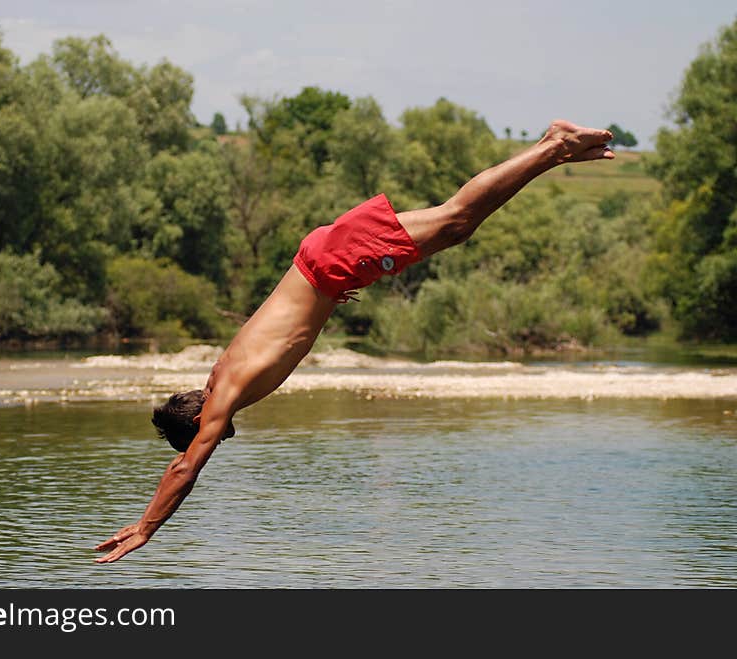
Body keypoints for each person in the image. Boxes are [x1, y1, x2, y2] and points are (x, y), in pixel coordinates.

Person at [94, 119, 614, 563]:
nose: (219, 441)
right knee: (455, 224)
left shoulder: (224, 397)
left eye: (206, 436)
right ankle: (552, 150)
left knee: (456, 220)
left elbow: (185, 468)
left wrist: (147, 526)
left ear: (200, 422)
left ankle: (553, 146)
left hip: (332, 263)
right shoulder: (223, 377)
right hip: (329, 265)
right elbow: (285, 325)